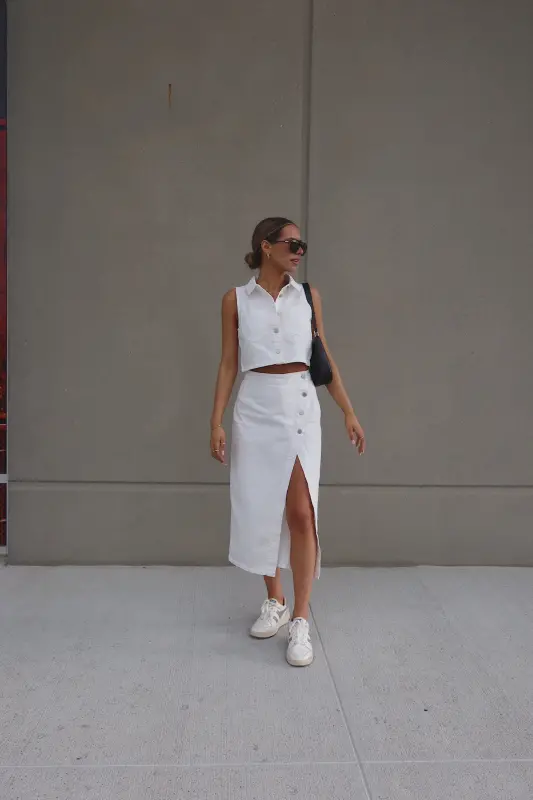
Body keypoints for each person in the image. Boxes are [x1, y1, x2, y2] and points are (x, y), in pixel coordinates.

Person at [210, 217, 365, 667]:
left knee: (301, 511)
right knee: (261, 508)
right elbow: (227, 363)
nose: (299, 251)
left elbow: (324, 357)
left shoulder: (307, 296)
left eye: (302, 244)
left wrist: (348, 410)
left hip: (299, 406)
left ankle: (300, 619)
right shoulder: (236, 300)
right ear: (266, 246)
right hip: (254, 409)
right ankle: (274, 600)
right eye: (292, 243)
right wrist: (215, 420)